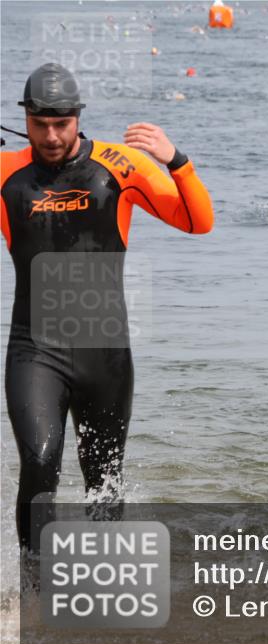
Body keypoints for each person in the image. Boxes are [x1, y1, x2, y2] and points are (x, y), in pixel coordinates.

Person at [1, 63, 214, 552]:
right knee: (39, 461)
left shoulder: (120, 167)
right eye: (40, 124)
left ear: (78, 116)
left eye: (62, 123)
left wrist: (176, 161)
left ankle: (99, 594)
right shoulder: (7, 175)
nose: (52, 136)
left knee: (104, 482)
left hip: (106, 355)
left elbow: (198, 222)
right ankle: (34, 598)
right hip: (35, 350)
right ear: (25, 119)